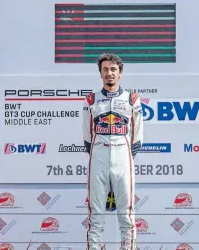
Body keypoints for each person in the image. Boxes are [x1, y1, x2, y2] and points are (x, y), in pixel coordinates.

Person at [82, 53, 144, 250]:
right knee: (96, 213)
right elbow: (87, 136)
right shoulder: (91, 100)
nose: (109, 73)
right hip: (98, 156)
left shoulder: (132, 99)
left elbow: (137, 137)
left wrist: (123, 155)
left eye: (113, 69)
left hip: (123, 157)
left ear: (120, 73)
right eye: (105, 69)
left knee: (127, 212)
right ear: (100, 73)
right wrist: (100, 154)